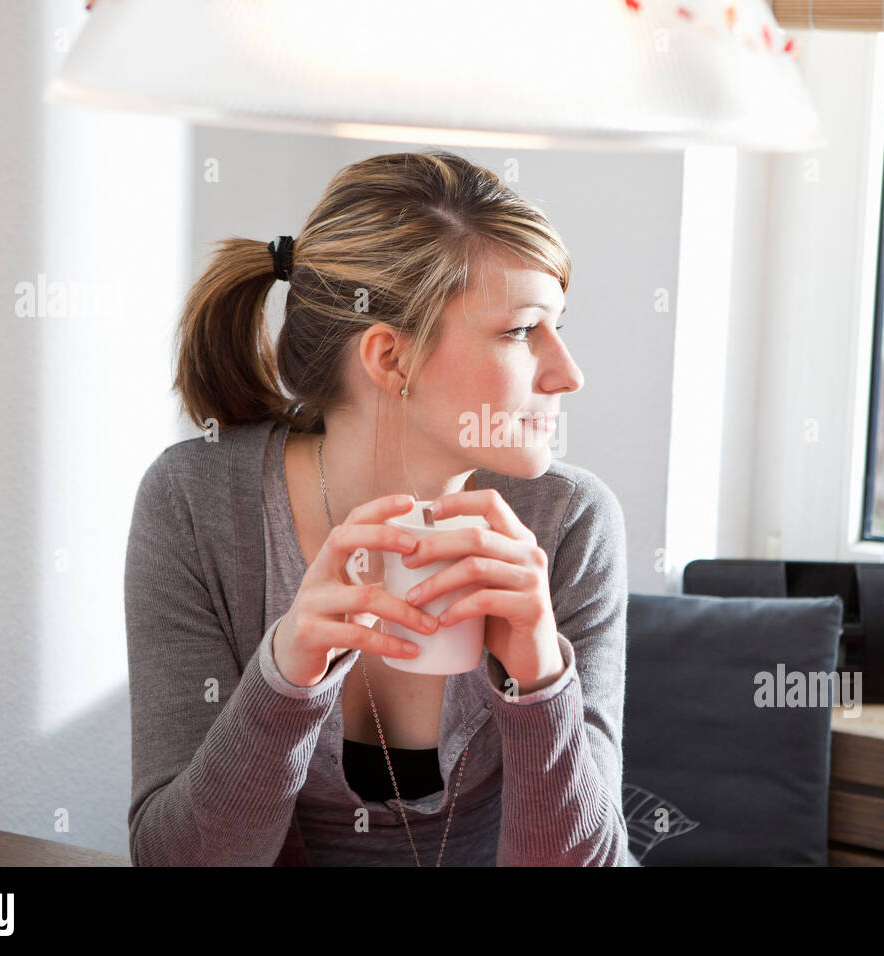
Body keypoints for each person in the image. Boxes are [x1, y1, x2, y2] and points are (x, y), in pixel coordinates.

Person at [124, 149, 632, 866]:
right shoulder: (197, 504)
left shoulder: (569, 523)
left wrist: (540, 682)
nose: (569, 373)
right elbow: (174, 860)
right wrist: (284, 675)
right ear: (390, 358)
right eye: (522, 331)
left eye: (559, 327)